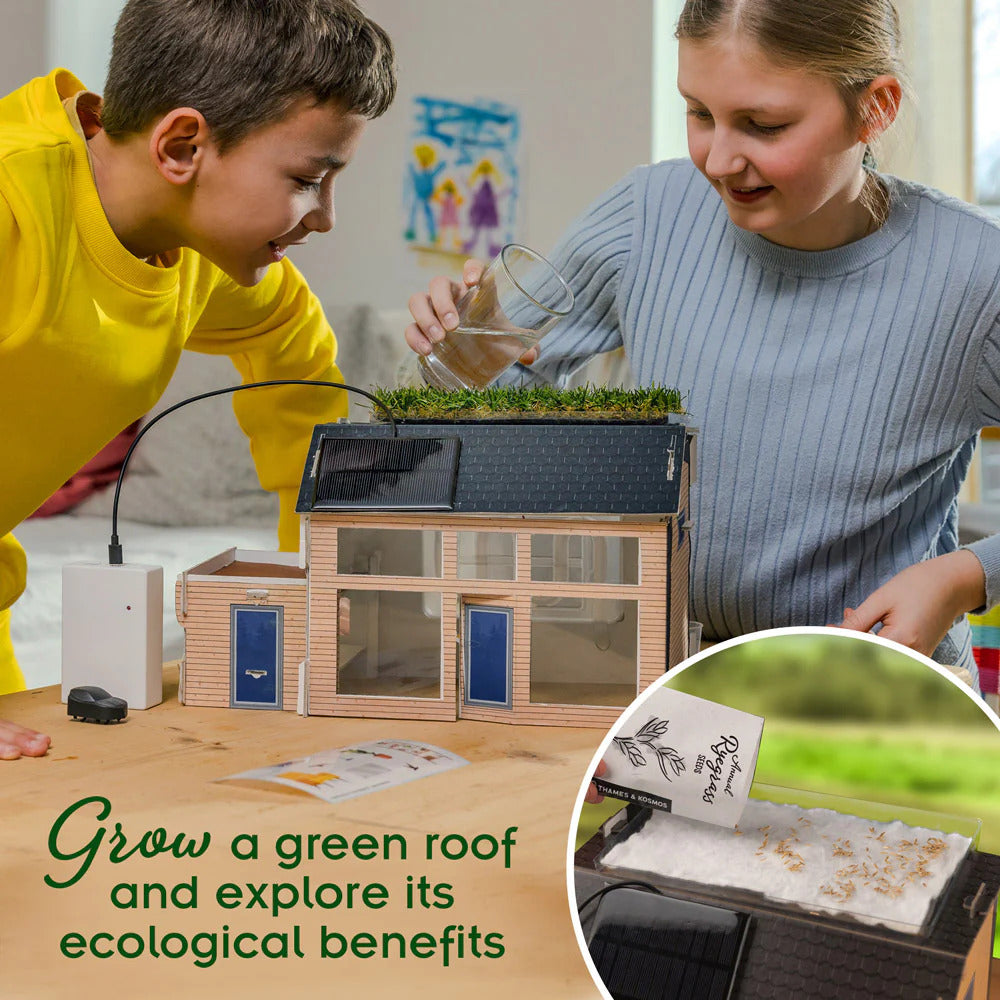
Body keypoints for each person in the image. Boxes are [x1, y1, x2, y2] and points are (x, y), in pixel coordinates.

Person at [406, 0, 1000, 690]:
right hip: (667, 683)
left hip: (877, 700)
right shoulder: (647, 214)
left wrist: (966, 576)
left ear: (875, 107)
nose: (718, 160)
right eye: (699, 113)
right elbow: (496, 409)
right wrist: (456, 351)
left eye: (763, 124)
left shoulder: (976, 275)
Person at [0, 0, 396, 757]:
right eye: (310, 179)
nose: (326, 217)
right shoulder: (12, 204)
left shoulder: (204, 264)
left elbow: (304, 392)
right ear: (182, 145)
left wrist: (319, 580)